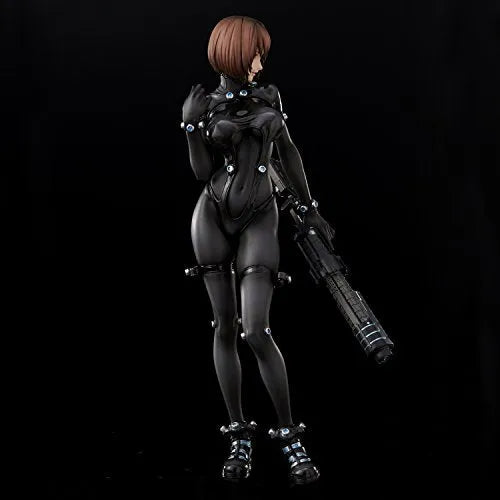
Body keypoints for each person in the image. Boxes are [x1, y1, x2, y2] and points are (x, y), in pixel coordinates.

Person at [181, 15, 335, 485]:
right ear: (231, 53)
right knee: (224, 326)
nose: (259, 62)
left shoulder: (270, 96)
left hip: (261, 215)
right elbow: (201, 171)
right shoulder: (204, 103)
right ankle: (238, 435)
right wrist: (190, 125)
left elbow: (289, 152)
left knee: (256, 330)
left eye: (261, 53)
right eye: (254, 52)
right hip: (212, 215)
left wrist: (309, 208)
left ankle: (289, 434)